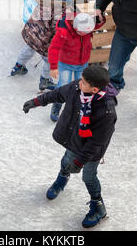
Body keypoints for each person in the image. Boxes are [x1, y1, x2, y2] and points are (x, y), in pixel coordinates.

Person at [23, 65, 118, 228]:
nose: (79, 84)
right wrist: (36, 101)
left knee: (88, 176)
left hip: (91, 151)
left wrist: (80, 162)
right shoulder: (77, 87)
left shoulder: (106, 112)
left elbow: (96, 143)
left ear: (94, 89)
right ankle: (62, 178)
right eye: (81, 80)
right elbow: (58, 93)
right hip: (75, 138)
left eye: (83, 82)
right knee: (67, 161)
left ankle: (98, 207)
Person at [10, 0, 71, 91]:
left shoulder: (43, 2)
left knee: (28, 49)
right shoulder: (58, 12)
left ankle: (18, 66)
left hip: (31, 33)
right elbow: (56, 28)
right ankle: (45, 80)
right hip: (44, 40)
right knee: (49, 60)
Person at [48, 11, 105, 122]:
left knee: (83, 86)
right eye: (82, 32)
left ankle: (81, 108)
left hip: (82, 63)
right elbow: (53, 48)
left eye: (88, 32)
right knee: (63, 85)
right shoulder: (63, 32)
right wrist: (53, 66)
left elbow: (98, 23)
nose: (86, 34)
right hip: (66, 64)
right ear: (75, 27)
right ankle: (57, 105)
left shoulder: (86, 23)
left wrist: (100, 18)